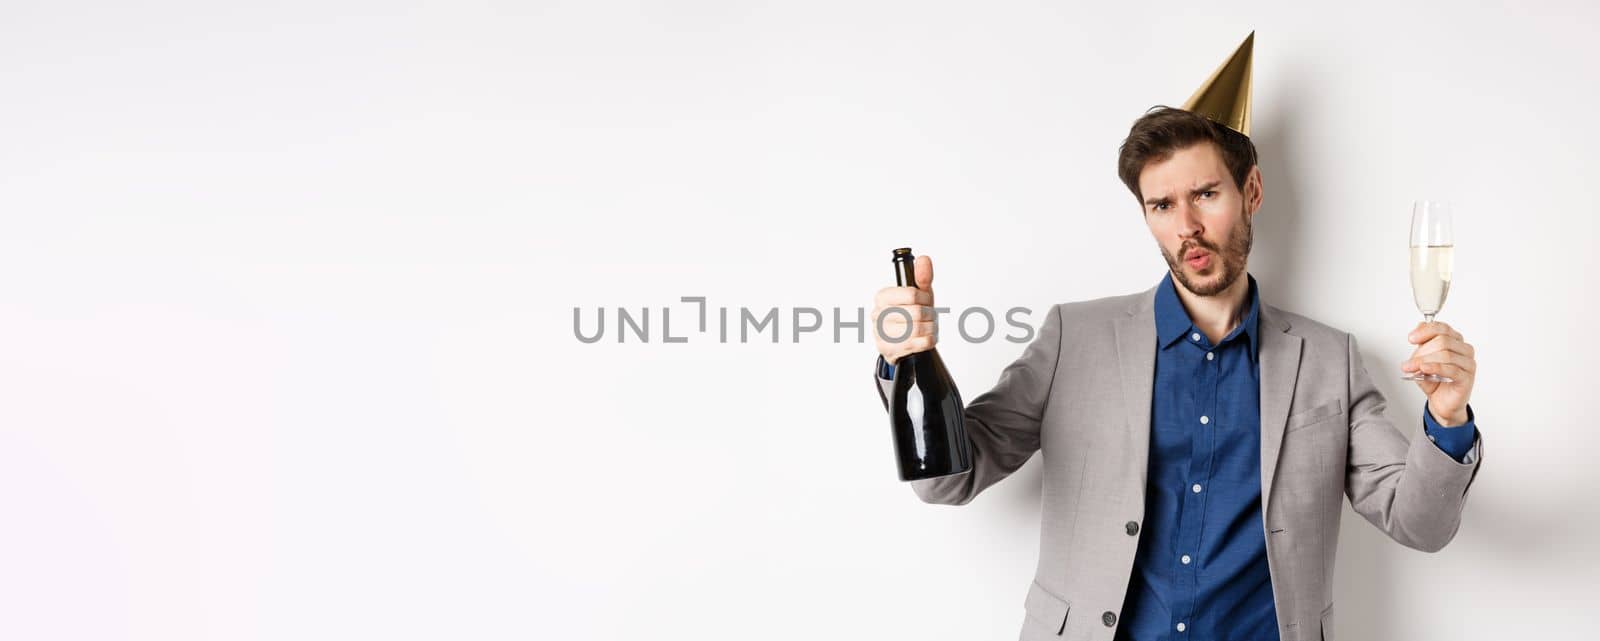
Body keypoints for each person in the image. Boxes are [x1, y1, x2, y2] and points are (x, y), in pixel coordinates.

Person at [869, 34, 1481, 641]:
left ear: (1252, 193)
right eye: (1162, 205)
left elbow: (1420, 524)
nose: (1186, 226)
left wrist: (1447, 418)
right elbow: (948, 479)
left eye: (1206, 195)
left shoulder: (1329, 360)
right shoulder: (1072, 340)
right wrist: (908, 363)